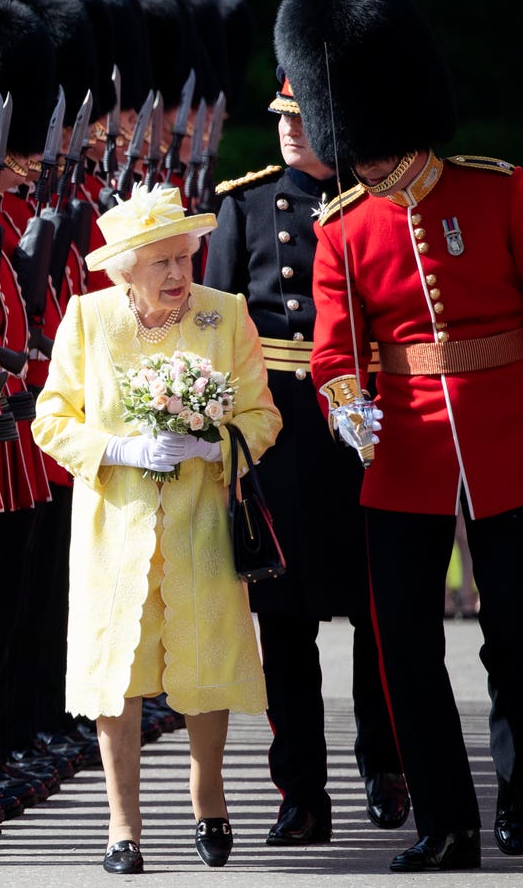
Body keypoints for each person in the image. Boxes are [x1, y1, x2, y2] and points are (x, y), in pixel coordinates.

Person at [274, 0, 523, 873]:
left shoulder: (500, 196)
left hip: (506, 440)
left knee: (518, 634)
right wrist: (347, 409)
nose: (365, 162)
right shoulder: (343, 229)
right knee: (404, 640)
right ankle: (447, 817)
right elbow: (336, 351)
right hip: (407, 451)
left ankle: (519, 780)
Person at [32, 182, 282, 873]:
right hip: (117, 527)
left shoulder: (224, 315)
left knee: (205, 662)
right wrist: (117, 447)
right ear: (126, 269)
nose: (179, 273)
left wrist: (216, 444)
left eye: (185, 257)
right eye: (162, 262)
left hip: (201, 521)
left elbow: (264, 416)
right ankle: (123, 824)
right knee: (121, 674)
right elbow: (50, 419)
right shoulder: (87, 319)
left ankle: (209, 798)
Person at [203, 72, 409, 845]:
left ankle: (385, 764)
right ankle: (301, 790)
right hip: (279, 430)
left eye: (303, 115)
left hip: (359, 425)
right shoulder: (246, 203)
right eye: (281, 115)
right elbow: (216, 328)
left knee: (377, 612)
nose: (289, 128)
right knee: (284, 624)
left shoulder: (380, 201)